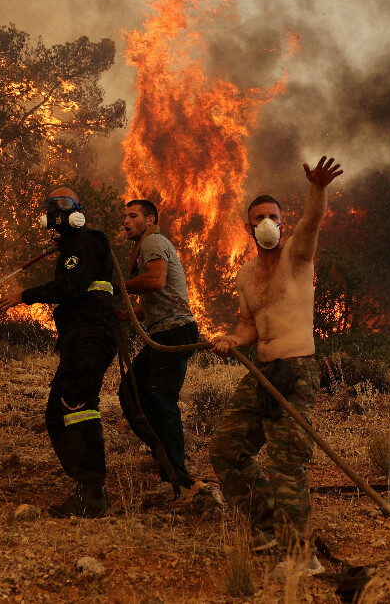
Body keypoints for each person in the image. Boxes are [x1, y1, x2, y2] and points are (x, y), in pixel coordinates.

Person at [209, 156, 343, 574]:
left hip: (296, 370)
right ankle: (267, 526)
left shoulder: (297, 256)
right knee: (226, 449)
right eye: (259, 218)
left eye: (273, 216)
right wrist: (232, 338)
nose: (267, 222)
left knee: (286, 465)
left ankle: (302, 557)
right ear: (248, 229)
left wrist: (318, 188)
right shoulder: (246, 275)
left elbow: (313, 220)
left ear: (283, 222)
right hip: (262, 372)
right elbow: (250, 324)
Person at [0, 187, 117, 518]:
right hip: (79, 337)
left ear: (78, 210)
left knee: (77, 404)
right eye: (52, 205)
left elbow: (71, 287)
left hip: (90, 335)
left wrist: (25, 295)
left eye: (64, 203)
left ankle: (92, 492)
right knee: (56, 411)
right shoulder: (71, 247)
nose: (57, 209)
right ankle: (86, 483)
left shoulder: (86, 241)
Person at [117, 199, 201, 493]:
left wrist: (116, 285)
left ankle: (177, 474)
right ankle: (164, 457)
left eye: (132, 215)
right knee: (130, 391)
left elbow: (155, 281)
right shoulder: (147, 246)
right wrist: (123, 316)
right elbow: (149, 304)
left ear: (149, 219)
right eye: (124, 216)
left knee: (161, 400)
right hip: (165, 332)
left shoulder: (152, 241)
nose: (126, 221)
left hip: (174, 333)